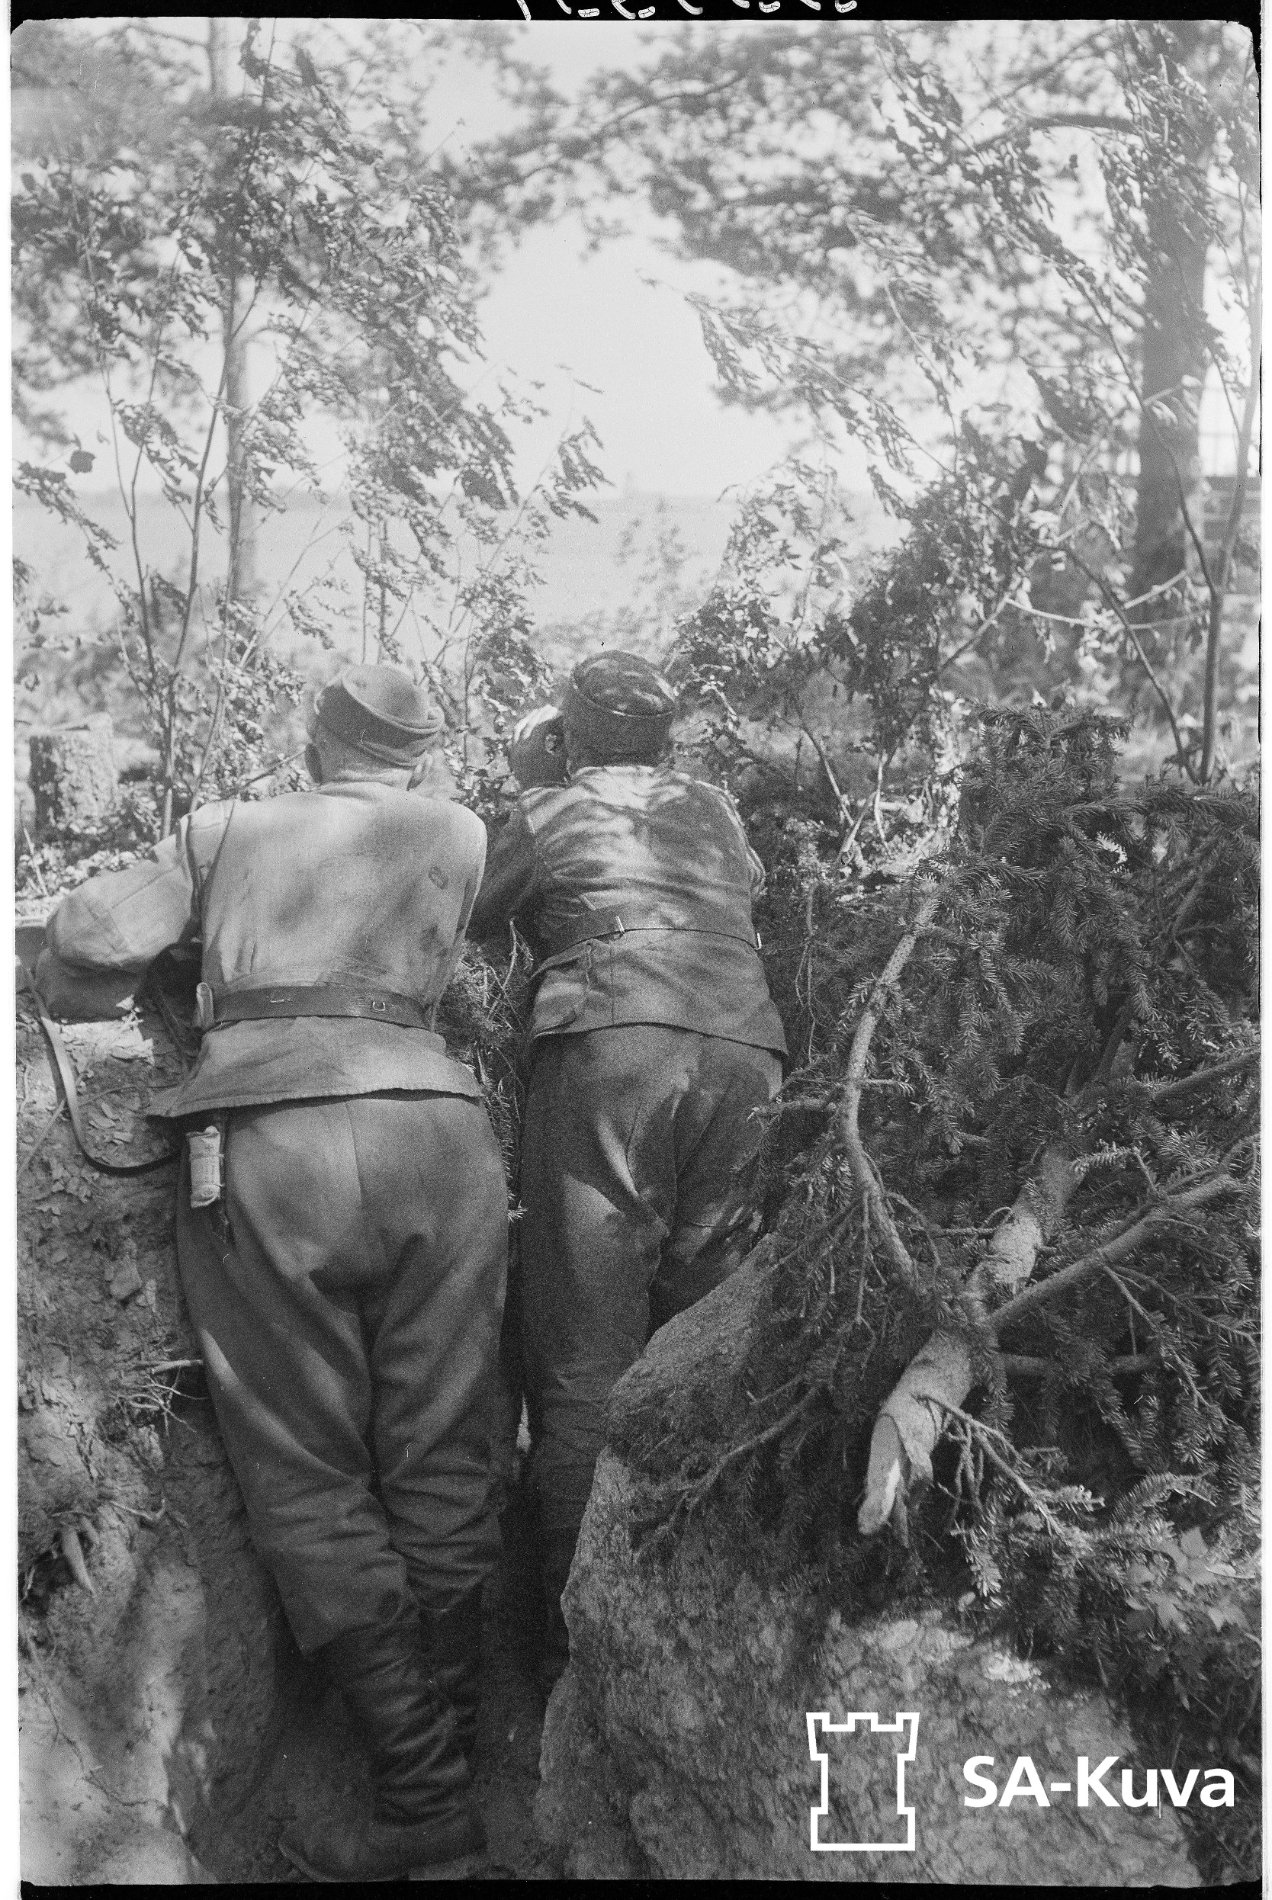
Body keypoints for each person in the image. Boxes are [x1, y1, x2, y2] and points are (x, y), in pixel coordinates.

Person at [33, 665, 507, 1882]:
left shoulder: (227, 826)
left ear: (316, 737)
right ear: (420, 756)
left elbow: (90, 936)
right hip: (437, 1136)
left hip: (271, 1140)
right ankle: (459, 1749)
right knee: (446, 1446)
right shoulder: (460, 830)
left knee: (304, 1470)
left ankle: (420, 1793)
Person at [468, 650, 787, 1687]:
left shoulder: (552, 808)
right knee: (707, 1337)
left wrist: (536, 785)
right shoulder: (715, 807)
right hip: (746, 1049)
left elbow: (471, 911)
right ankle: (700, 1622)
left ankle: (579, 1659)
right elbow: (747, 890)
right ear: (665, 737)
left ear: (570, 734)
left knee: (583, 1357)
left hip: (614, 1040)